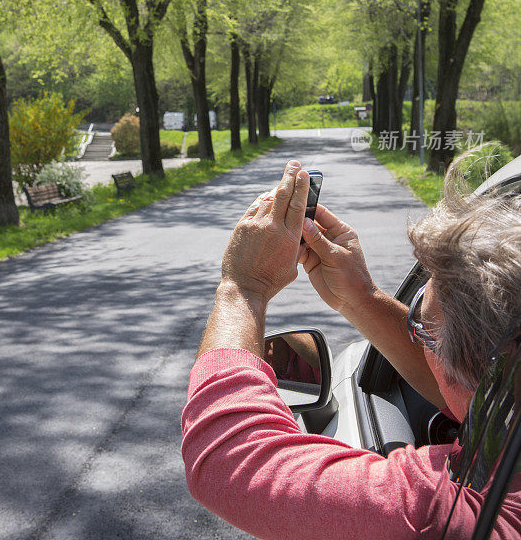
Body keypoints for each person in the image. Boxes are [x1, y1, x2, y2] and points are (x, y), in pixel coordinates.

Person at [181, 159, 521, 539]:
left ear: (494, 373)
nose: (419, 339)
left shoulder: (456, 510)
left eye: (420, 329)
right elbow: (468, 392)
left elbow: (228, 459)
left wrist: (244, 286)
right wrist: (361, 296)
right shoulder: (508, 429)